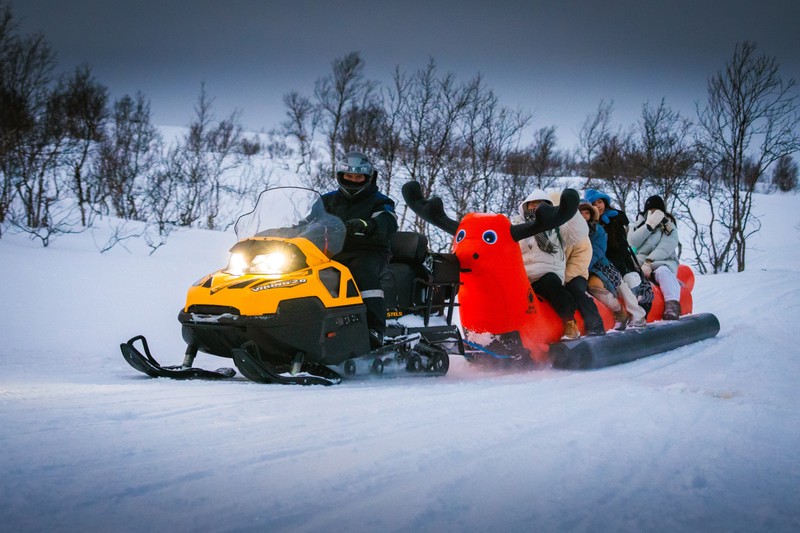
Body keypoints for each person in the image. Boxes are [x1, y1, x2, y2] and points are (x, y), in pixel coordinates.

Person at [321, 152, 398, 348]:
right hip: (334, 252)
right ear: (341, 176)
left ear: (367, 177)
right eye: (349, 176)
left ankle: (374, 329)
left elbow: (387, 222)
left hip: (370, 251)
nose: (353, 180)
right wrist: (289, 231)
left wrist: (368, 225)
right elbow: (310, 221)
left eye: (358, 177)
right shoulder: (327, 201)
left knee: (361, 272)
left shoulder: (380, 201)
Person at [514, 189, 589, 340]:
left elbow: (579, 232)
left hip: (547, 273)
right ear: (525, 207)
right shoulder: (517, 227)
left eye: (540, 204)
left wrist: (570, 210)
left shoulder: (559, 229)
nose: (535, 207)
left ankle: (570, 323)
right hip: (524, 276)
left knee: (552, 286)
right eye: (532, 204)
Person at [583, 189, 648, 327]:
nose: (598, 206)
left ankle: (638, 314)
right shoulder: (583, 227)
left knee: (621, 282)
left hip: (613, 263)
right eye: (594, 203)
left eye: (600, 202)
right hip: (592, 265)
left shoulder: (609, 223)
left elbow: (613, 248)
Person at [628, 195, 682, 321]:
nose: (653, 213)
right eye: (650, 210)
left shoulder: (668, 226)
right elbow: (633, 242)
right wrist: (648, 226)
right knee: (629, 272)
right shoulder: (638, 224)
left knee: (663, 272)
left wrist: (649, 262)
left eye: (656, 210)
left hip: (663, 260)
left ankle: (672, 306)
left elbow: (666, 246)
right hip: (640, 260)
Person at [564, 225, 607, 337]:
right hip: (556, 274)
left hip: (576, 274)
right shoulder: (549, 233)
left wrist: (563, 278)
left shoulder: (578, 234)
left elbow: (580, 261)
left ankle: (596, 325)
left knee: (575, 289)